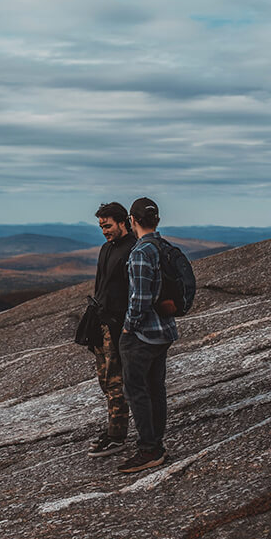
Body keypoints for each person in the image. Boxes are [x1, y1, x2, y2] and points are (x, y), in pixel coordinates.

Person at [118, 197, 178, 473]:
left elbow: (140, 298)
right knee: (156, 389)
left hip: (143, 335)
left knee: (136, 391)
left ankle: (149, 449)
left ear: (132, 220)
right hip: (164, 330)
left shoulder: (141, 252)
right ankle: (156, 444)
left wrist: (128, 326)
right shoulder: (163, 247)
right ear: (157, 220)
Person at [86, 202, 137, 457]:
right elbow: (101, 287)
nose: (104, 231)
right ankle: (112, 430)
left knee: (116, 381)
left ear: (122, 222)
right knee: (105, 381)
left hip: (119, 326)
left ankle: (117, 436)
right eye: (101, 227)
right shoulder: (106, 249)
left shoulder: (134, 249)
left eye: (107, 226)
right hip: (102, 324)